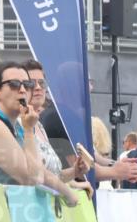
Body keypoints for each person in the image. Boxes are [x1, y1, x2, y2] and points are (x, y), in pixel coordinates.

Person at [0, 61, 79, 206]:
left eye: (27, 85)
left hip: (1, 213)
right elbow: (32, 178)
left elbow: (39, 170)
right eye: (14, 84)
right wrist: (67, 193)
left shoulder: (17, 124)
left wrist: (71, 181)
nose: (22, 90)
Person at [22, 60, 91, 194]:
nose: (37, 88)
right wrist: (67, 191)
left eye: (41, 83)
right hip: (25, 206)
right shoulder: (16, 123)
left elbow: (52, 174)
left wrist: (75, 172)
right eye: (30, 83)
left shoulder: (39, 125)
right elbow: (34, 175)